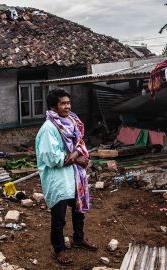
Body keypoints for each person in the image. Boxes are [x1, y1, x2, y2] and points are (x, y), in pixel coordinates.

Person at [35, 88, 98, 265]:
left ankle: (79, 238)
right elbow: (52, 158)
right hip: (59, 178)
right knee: (59, 217)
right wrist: (78, 159)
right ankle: (59, 249)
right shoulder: (49, 128)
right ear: (54, 106)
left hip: (75, 176)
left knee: (79, 211)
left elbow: (79, 142)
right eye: (63, 103)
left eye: (68, 102)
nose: (67, 106)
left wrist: (78, 154)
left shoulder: (72, 121)